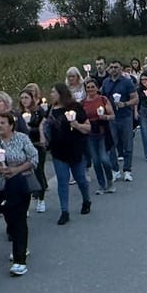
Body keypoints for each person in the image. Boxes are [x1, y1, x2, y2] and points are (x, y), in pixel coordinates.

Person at [0, 112, 38, 275]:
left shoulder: (21, 138)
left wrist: (16, 170)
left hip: (21, 183)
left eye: (2, 123)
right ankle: (18, 242)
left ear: (11, 125)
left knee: (19, 218)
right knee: (10, 219)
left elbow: (33, 159)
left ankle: (20, 260)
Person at [44, 82, 92, 224]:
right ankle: (64, 211)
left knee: (80, 178)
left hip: (75, 148)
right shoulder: (51, 110)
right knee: (62, 180)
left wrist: (77, 125)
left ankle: (86, 200)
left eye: (54, 92)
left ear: (61, 93)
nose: (51, 95)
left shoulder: (75, 107)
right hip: (58, 151)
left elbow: (88, 127)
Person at [99, 60, 138, 181]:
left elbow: (135, 98)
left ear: (121, 68)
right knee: (111, 145)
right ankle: (115, 170)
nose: (113, 69)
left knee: (128, 144)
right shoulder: (106, 82)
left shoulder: (127, 82)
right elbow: (102, 98)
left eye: (116, 67)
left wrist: (125, 104)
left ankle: (127, 170)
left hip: (125, 116)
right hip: (112, 118)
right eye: (111, 67)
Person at [80, 78, 116, 194]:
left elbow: (112, 115)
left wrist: (104, 117)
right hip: (90, 134)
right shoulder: (83, 103)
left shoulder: (103, 99)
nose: (90, 89)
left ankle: (110, 181)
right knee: (95, 161)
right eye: (88, 87)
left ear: (97, 88)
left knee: (104, 159)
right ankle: (101, 185)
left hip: (102, 132)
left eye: (92, 87)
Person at [19, 88, 49, 212]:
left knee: (38, 171)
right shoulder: (18, 114)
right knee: (25, 174)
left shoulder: (38, 111)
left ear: (32, 98)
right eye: (22, 98)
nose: (24, 100)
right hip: (23, 147)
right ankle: (27, 202)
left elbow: (43, 126)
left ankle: (41, 200)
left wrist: (30, 129)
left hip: (37, 145)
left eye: (26, 97)